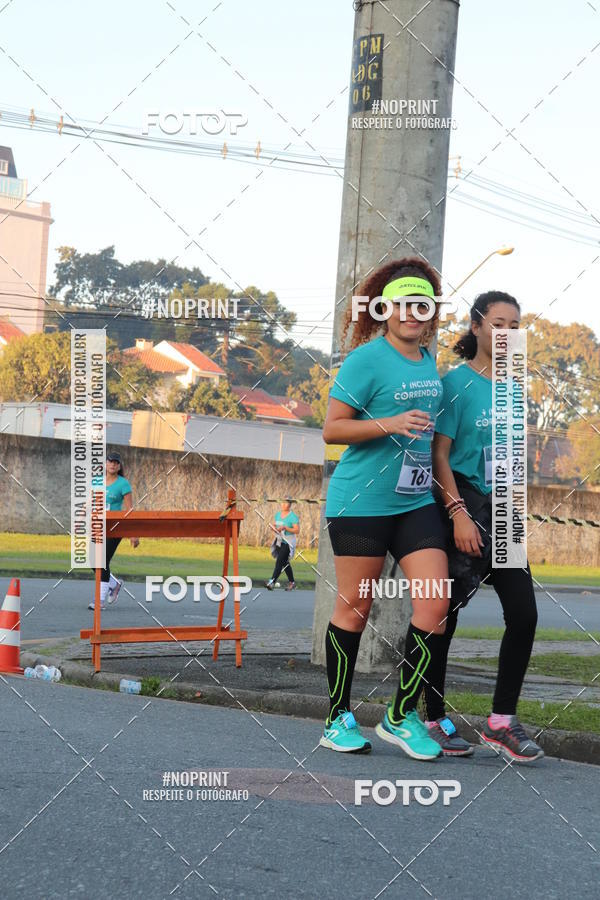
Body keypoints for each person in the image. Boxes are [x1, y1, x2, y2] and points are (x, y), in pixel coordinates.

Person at [319, 257, 451, 760]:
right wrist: (390, 423)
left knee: (435, 605)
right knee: (355, 608)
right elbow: (332, 430)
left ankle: (399, 714)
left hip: (414, 501)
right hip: (361, 502)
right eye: (404, 305)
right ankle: (337, 717)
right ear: (384, 310)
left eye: (423, 305)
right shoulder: (366, 360)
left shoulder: (428, 360)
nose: (413, 313)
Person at [423, 290, 544, 762]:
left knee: (525, 614)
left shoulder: (515, 388)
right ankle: (433, 718)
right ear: (476, 327)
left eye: (515, 325)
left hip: (503, 511)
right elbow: (439, 455)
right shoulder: (454, 384)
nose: (507, 333)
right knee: (443, 616)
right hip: (463, 505)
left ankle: (500, 722)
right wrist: (458, 514)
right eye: (498, 323)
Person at [88, 451, 139, 610]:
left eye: (116, 463)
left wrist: (133, 534)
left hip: (115, 527)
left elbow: (129, 510)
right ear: (105, 464)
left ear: (119, 466)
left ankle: (99, 601)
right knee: (92, 560)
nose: (112, 465)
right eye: (110, 461)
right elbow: (90, 503)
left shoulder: (123, 484)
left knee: (102, 561)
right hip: (98, 526)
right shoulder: (97, 481)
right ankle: (114, 584)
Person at [266, 498, 299, 591]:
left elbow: (297, 530)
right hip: (279, 541)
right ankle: (292, 583)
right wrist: (274, 528)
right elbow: (276, 525)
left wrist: (285, 527)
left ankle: (272, 582)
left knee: (279, 561)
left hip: (288, 542)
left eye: (286, 503)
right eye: (283, 503)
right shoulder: (277, 515)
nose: (284, 505)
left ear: (290, 504)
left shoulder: (293, 517)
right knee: (285, 563)